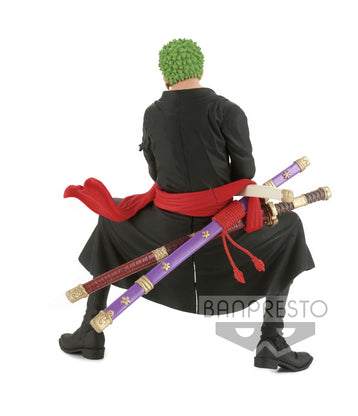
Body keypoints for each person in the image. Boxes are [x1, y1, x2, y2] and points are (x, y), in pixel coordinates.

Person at [59, 38, 315, 371]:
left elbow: (156, 173)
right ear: (201, 70)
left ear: (165, 76)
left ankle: (90, 329)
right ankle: (271, 339)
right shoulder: (228, 111)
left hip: (162, 229)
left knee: (111, 218)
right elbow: (245, 174)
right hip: (223, 227)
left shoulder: (153, 114)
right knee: (290, 225)